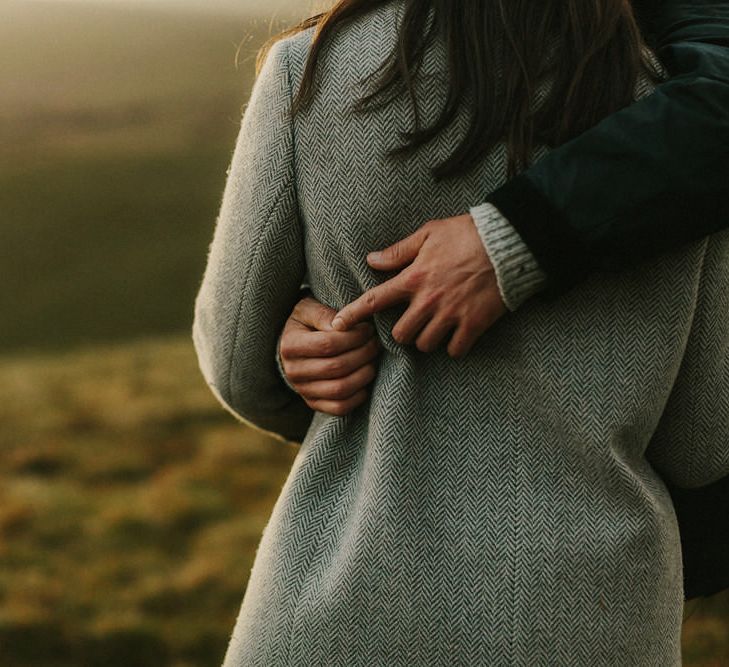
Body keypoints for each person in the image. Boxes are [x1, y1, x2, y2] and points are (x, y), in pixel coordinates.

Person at [192, 1, 729, 664]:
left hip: (330, 611)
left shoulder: (309, 71)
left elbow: (236, 362)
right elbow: (705, 438)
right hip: (589, 620)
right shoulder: (672, 116)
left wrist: (319, 364)